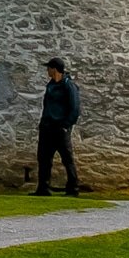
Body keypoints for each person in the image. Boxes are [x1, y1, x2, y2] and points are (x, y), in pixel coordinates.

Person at [35, 55, 81, 196]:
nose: (47, 71)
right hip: (47, 127)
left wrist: (66, 125)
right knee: (43, 158)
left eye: (48, 68)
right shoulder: (51, 85)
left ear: (54, 69)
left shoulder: (68, 86)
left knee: (67, 159)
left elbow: (75, 108)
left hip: (60, 128)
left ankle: (73, 188)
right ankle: (43, 187)